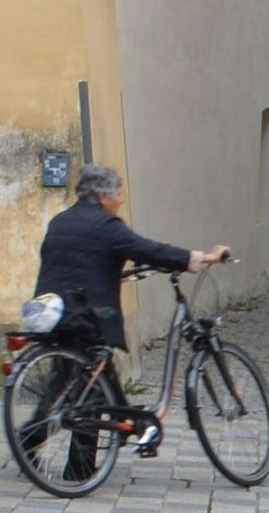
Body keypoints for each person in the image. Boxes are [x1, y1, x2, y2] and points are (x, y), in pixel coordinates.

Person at [33, 161, 230, 453]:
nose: (121, 199)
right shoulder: (107, 226)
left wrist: (112, 275)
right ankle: (81, 470)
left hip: (53, 313)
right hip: (88, 316)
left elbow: (73, 262)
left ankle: (30, 438)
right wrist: (203, 258)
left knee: (67, 379)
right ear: (102, 196)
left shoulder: (60, 221)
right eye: (118, 193)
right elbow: (149, 250)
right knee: (95, 387)